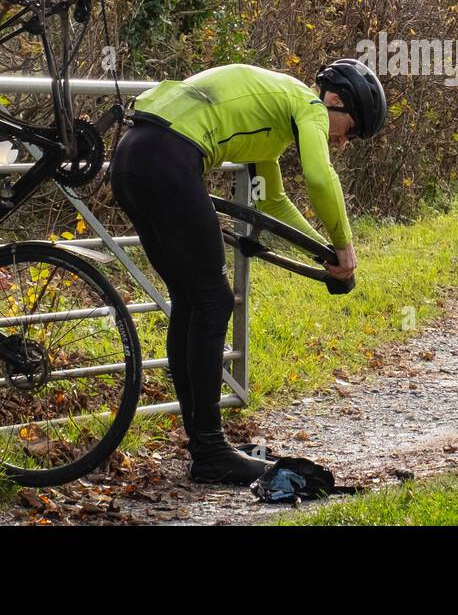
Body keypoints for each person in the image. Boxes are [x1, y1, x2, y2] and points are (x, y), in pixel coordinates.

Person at [109, 59, 387, 485]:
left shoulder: (274, 123)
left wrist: (323, 253)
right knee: (213, 300)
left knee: (192, 299)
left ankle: (204, 446)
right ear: (334, 101)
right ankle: (210, 451)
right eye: (350, 130)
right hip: (169, 157)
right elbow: (318, 175)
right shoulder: (307, 104)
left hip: (133, 156)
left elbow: (273, 204)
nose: (344, 143)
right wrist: (346, 246)